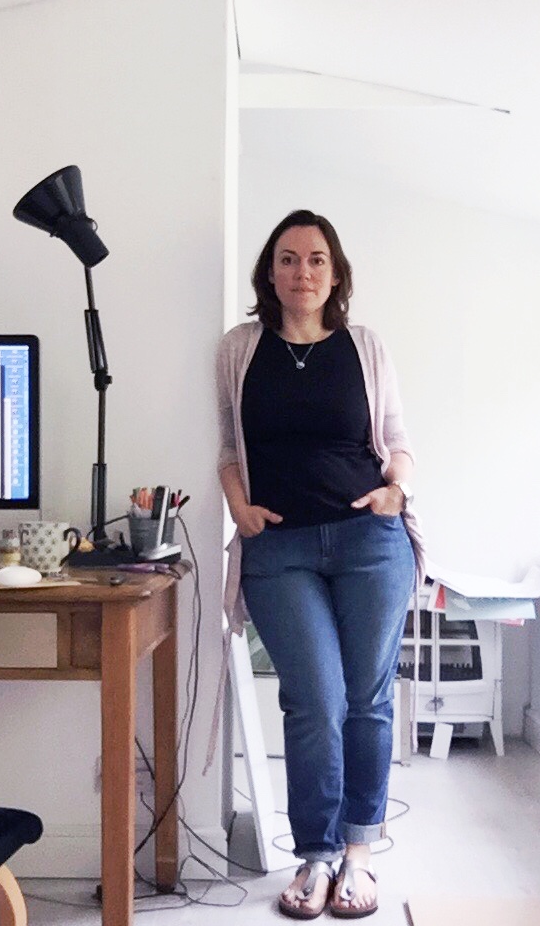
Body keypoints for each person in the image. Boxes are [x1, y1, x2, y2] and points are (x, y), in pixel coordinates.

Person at [216, 209, 426, 920]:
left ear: (334, 274)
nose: (301, 272)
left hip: (369, 541)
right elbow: (226, 444)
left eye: (315, 260)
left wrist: (395, 489)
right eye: (287, 259)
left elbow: (397, 438)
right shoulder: (240, 348)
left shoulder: (363, 346)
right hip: (278, 550)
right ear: (268, 271)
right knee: (313, 701)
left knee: (367, 700)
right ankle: (314, 854)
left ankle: (359, 856)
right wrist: (239, 508)